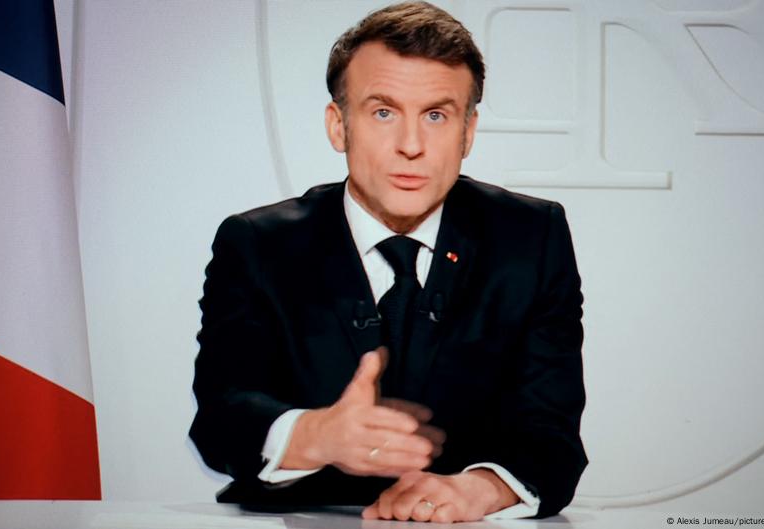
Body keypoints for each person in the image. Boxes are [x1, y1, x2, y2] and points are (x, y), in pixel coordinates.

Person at [190, 1, 587, 522]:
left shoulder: (532, 239)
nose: (411, 145)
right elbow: (220, 419)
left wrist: (480, 490)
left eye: (436, 116)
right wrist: (316, 435)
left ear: (467, 132)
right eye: (383, 112)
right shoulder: (257, 244)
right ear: (339, 125)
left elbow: (552, 434)